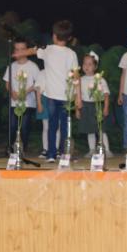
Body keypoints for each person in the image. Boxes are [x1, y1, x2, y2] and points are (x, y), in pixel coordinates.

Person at [33, 21, 78, 161]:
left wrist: (20, 53)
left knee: (52, 126)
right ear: (69, 38)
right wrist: (78, 96)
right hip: (65, 96)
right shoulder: (71, 53)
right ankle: (62, 154)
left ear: (54, 35)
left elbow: (33, 51)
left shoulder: (48, 50)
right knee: (64, 127)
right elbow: (76, 76)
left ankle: (52, 154)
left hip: (53, 96)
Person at [4, 38, 42, 152]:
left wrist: (25, 92)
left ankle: (22, 148)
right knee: (12, 126)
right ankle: (11, 148)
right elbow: (7, 83)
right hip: (14, 102)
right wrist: (12, 92)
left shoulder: (33, 66)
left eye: (22, 49)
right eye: (17, 49)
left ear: (27, 50)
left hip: (28, 102)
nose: (20, 52)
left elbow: (38, 83)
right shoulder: (11, 66)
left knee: (24, 126)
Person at [75, 51, 110, 154]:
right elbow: (76, 95)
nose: (87, 66)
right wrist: (77, 110)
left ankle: (107, 150)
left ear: (95, 66)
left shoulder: (100, 79)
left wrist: (106, 108)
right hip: (85, 106)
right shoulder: (80, 80)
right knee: (89, 130)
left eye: (90, 64)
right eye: (85, 63)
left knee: (101, 129)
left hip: (97, 106)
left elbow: (106, 94)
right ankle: (91, 150)